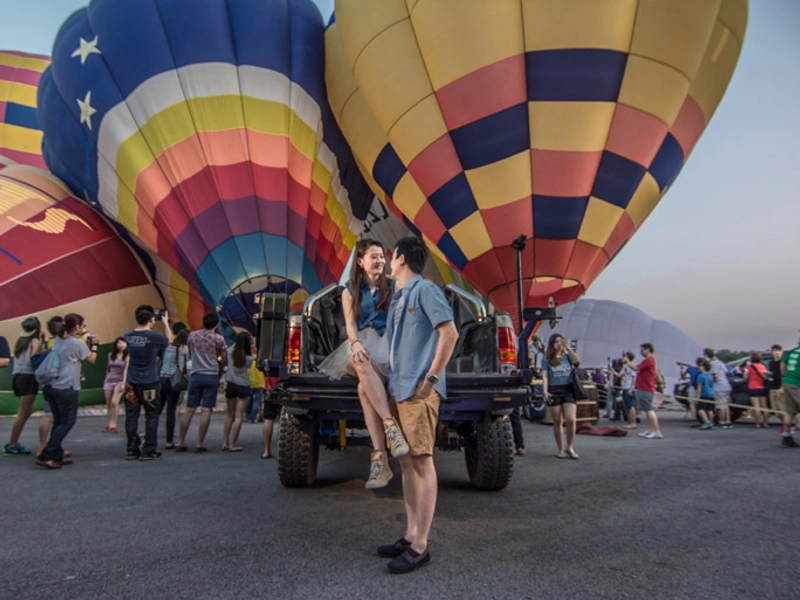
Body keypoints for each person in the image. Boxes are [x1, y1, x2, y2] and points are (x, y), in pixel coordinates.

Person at [376, 236, 457, 574]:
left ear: (400, 258)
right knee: (407, 464)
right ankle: (410, 534)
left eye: (390, 257)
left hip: (418, 390)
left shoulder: (425, 291)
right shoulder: (399, 297)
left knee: (422, 463)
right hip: (399, 389)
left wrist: (432, 379)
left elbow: (449, 333)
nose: (387, 263)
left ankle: (421, 545)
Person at [318, 238, 409, 489]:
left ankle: (380, 459)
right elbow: (349, 324)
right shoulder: (349, 291)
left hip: (387, 345)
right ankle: (391, 425)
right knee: (359, 361)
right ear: (360, 261)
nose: (380, 260)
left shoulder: (395, 286)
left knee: (362, 390)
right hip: (360, 343)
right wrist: (356, 343)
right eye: (374, 256)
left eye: (382, 256)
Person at [35, 313, 99, 469]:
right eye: (82, 326)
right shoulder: (76, 343)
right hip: (66, 387)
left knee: (58, 421)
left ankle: (56, 455)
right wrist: (95, 345)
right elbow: (91, 360)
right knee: (68, 422)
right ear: (76, 326)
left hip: (51, 386)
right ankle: (47, 454)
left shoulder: (57, 340)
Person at [123, 306, 172, 460]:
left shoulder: (128, 335)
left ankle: (132, 448)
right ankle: (148, 448)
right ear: (151, 319)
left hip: (131, 380)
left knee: (132, 414)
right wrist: (165, 323)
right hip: (149, 380)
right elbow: (169, 340)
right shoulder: (154, 337)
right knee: (151, 415)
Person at [176, 312, 226, 452]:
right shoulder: (218, 339)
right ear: (216, 325)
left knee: (189, 409)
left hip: (195, 374)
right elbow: (223, 356)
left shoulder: (192, 335)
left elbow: (190, 352)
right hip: (211, 375)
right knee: (206, 410)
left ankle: (180, 441)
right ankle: (199, 443)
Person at [4, 317, 42, 456]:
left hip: (18, 377)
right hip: (28, 377)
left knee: (28, 410)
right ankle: (12, 445)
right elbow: (34, 360)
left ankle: (13, 443)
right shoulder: (35, 341)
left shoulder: (21, 341)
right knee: (22, 414)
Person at [541, 334, 582, 459]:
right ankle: (560, 448)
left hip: (568, 389)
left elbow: (577, 362)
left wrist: (568, 348)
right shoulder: (547, 358)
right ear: (552, 344)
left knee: (571, 419)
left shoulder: (568, 356)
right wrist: (545, 390)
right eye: (556, 342)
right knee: (557, 420)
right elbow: (545, 375)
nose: (559, 344)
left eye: (561, 341)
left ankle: (570, 446)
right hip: (554, 389)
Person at [222, 331, 254, 452]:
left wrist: (237, 342)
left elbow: (229, 348)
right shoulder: (249, 358)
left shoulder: (230, 353)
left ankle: (225, 442)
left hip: (231, 384)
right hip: (243, 385)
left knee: (229, 415)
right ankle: (233, 443)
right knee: (239, 416)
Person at [159, 324, 189, 449]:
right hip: (173, 379)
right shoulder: (183, 349)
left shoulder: (168, 346)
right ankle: (169, 440)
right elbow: (183, 366)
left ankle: (149, 434)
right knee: (171, 410)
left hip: (162, 377)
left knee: (158, 408)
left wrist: (165, 323)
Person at [625, 343, 663, 439]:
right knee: (647, 410)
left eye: (643, 350)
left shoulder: (649, 360)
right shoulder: (649, 360)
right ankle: (651, 430)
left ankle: (656, 431)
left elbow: (636, 368)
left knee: (649, 410)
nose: (641, 352)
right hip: (644, 388)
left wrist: (627, 361)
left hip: (647, 388)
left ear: (648, 350)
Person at [102, 337, 129, 433]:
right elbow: (108, 368)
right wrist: (106, 380)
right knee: (108, 403)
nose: (121, 345)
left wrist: (123, 383)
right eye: (119, 343)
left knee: (114, 402)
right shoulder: (111, 355)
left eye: (123, 343)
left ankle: (114, 424)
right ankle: (109, 424)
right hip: (109, 380)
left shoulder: (127, 356)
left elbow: (126, 370)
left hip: (119, 381)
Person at [704, 348, 733, 429]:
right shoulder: (720, 362)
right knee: (726, 404)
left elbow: (715, 375)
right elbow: (727, 372)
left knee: (720, 405)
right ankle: (728, 421)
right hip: (726, 385)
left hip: (719, 386)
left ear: (706, 355)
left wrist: (712, 380)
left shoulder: (713, 364)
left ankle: (722, 421)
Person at [779, 339, 800, 448]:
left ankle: (786, 436)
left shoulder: (792, 352)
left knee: (789, 411)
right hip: (797, 383)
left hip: (787, 381)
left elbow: (782, 364)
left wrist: (784, 377)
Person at [742, 353, 770, 429]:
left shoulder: (748, 367)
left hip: (753, 387)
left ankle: (757, 423)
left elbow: (745, 377)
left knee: (756, 406)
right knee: (764, 406)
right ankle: (765, 423)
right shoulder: (763, 366)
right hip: (762, 387)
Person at [696, 360, 717, 430]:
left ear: (703, 367)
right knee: (710, 409)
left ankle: (706, 422)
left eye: (701, 366)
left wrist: (698, 396)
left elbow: (699, 387)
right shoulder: (711, 376)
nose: (700, 367)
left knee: (700, 409)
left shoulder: (700, 376)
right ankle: (711, 422)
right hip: (711, 393)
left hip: (704, 394)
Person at [620, 352, 637, 429]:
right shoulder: (625, 367)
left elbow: (634, 377)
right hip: (625, 387)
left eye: (625, 357)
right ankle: (630, 422)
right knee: (628, 406)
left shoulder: (630, 366)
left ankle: (633, 423)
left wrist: (631, 388)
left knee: (631, 406)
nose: (623, 358)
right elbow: (621, 376)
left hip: (628, 388)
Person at [767, 344, 784, 421]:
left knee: (783, 408)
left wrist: (782, 386)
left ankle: (788, 425)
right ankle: (785, 424)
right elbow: (773, 373)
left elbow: (784, 374)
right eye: (774, 351)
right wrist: (767, 373)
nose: (776, 352)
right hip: (773, 386)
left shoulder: (783, 362)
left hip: (782, 387)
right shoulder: (771, 363)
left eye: (778, 351)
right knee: (776, 410)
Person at [246, 358, 265, 424]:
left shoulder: (249, 363)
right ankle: (252, 418)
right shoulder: (260, 363)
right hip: (260, 384)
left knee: (249, 401)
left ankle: (248, 415)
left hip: (250, 384)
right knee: (256, 402)